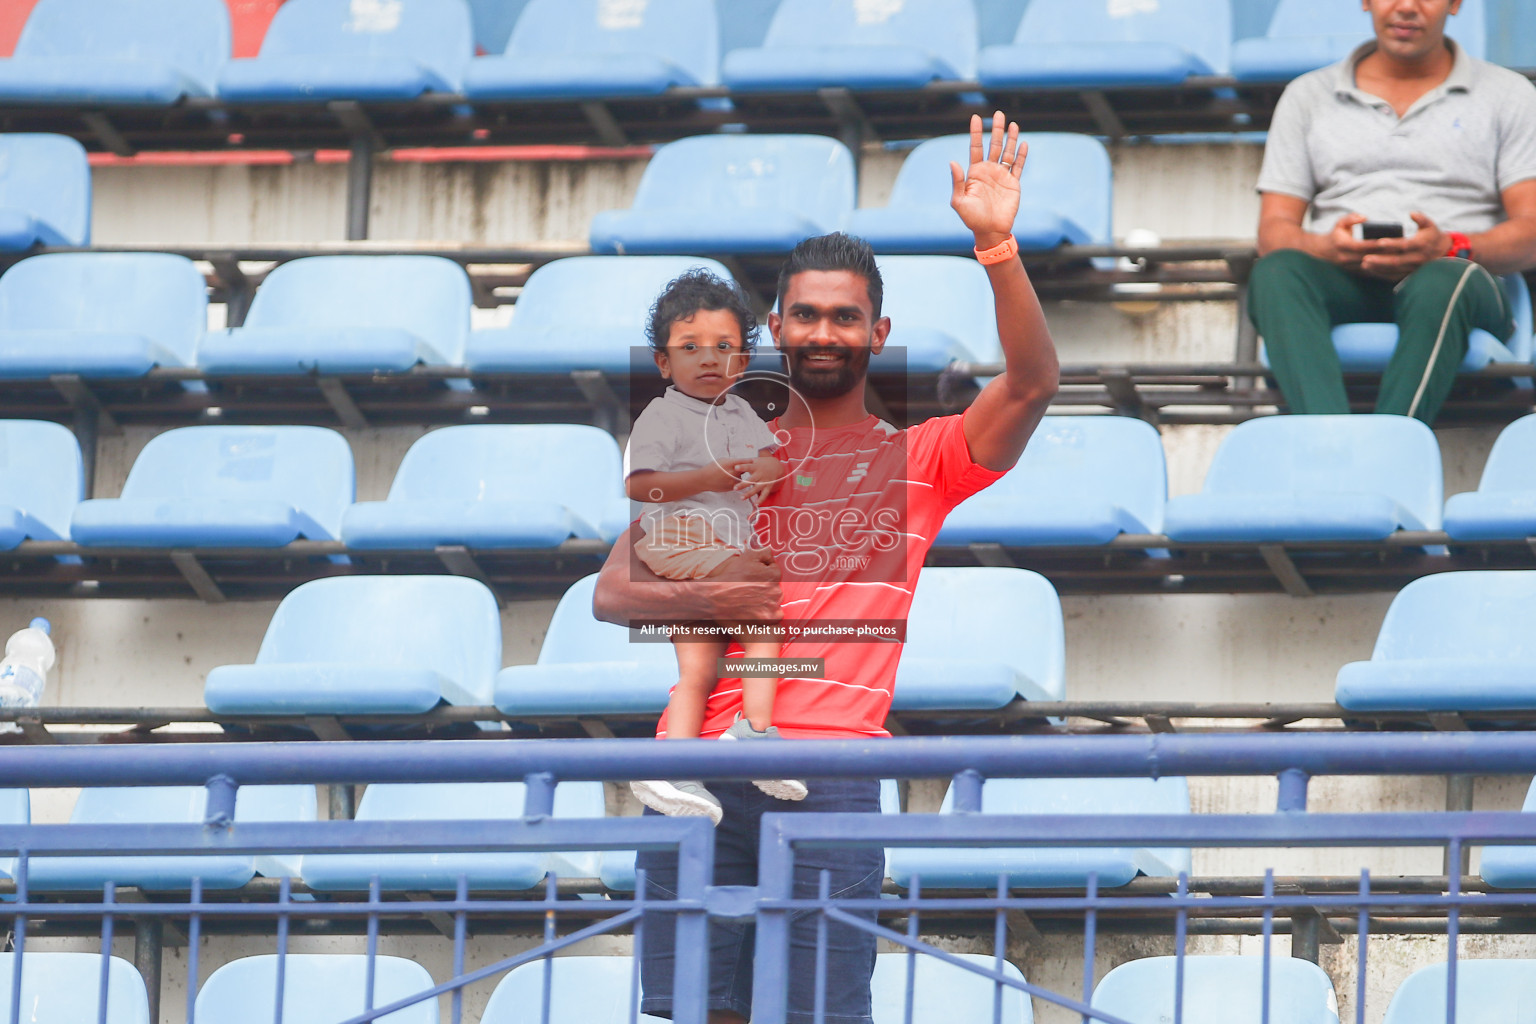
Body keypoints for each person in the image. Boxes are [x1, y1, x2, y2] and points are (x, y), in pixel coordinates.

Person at [592, 111, 1059, 1024]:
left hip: (832, 773)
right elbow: (614, 589)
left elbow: (1034, 383)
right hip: (693, 771)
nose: (824, 331)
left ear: (878, 332)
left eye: (846, 316)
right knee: (697, 1015)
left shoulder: (922, 459)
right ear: (775, 325)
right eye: (805, 313)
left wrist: (997, 247)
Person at [1247, 0, 1536, 424]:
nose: (1406, 7)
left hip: (1460, 280)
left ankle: (1392, 449)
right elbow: (1273, 231)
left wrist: (1450, 245)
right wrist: (1326, 247)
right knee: (1276, 272)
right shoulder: (1307, 96)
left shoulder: (1508, 95)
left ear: (1456, 4)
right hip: (1346, 279)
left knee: (1443, 277)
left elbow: (1530, 231)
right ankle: (1329, 441)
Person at [624, 269, 807, 823]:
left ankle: (673, 769)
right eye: (690, 347)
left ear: (743, 364)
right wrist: (707, 477)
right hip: (679, 537)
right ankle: (752, 733)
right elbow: (639, 485)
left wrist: (766, 468)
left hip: (713, 543)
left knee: (700, 666)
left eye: (724, 347)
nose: (708, 358)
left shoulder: (739, 413)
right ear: (663, 363)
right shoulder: (662, 415)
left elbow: (775, 459)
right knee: (763, 611)